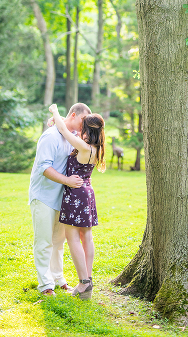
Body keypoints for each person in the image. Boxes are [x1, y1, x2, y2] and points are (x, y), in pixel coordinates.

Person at [28, 103, 91, 295]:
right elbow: (44, 168)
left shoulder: (72, 137)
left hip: (62, 198)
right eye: (83, 120)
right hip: (44, 197)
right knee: (44, 241)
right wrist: (67, 181)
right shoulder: (50, 136)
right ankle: (45, 285)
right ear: (73, 115)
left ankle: (58, 278)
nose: (85, 125)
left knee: (58, 242)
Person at [48, 104, 107, 301]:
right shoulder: (97, 148)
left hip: (76, 194)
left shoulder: (83, 146)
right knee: (86, 237)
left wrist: (55, 112)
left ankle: (83, 282)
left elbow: (64, 130)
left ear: (87, 130)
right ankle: (88, 279)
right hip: (87, 192)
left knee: (72, 237)